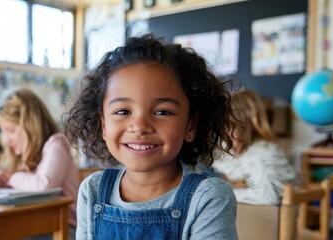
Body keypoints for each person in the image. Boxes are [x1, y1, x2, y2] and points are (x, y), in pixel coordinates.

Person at [62, 33, 238, 239]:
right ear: (103, 124)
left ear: (191, 125)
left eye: (162, 112)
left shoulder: (208, 197)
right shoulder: (92, 190)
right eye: (122, 111)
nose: (139, 126)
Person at [0, 87, 79, 239]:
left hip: (65, 229)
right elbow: (18, 183)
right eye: (4, 132)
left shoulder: (56, 144)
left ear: (30, 125)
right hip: (34, 225)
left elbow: (44, 184)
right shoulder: (23, 156)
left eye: (11, 130)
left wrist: (9, 177)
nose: (7, 140)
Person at [212, 88, 296, 205]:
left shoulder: (260, 156)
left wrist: (221, 193)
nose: (224, 141)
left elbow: (267, 198)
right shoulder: (241, 152)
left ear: (247, 126)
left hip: (271, 218)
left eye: (229, 128)